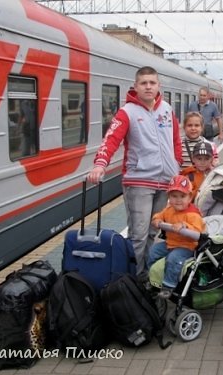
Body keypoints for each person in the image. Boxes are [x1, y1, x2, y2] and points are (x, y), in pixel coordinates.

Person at [87, 66, 183, 281]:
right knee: (137, 235)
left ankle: (144, 274)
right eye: (144, 83)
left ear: (159, 85)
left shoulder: (167, 109)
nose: (148, 87)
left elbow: (176, 140)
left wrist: (177, 166)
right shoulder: (127, 112)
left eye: (152, 82)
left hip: (166, 181)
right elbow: (111, 139)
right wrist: (100, 164)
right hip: (139, 181)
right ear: (136, 86)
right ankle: (133, 280)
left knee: (152, 232)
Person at [147, 175, 205, 298]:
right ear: (169, 197)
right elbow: (159, 215)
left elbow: (198, 231)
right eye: (174, 196)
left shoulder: (193, 214)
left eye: (182, 196)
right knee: (153, 251)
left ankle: (169, 285)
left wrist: (184, 225)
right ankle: (152, 278)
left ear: (190, 197)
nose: (178, 200)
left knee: (173, 259)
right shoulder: (169, 210)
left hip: (187, 246)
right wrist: (157, 220)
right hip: (170, 243)